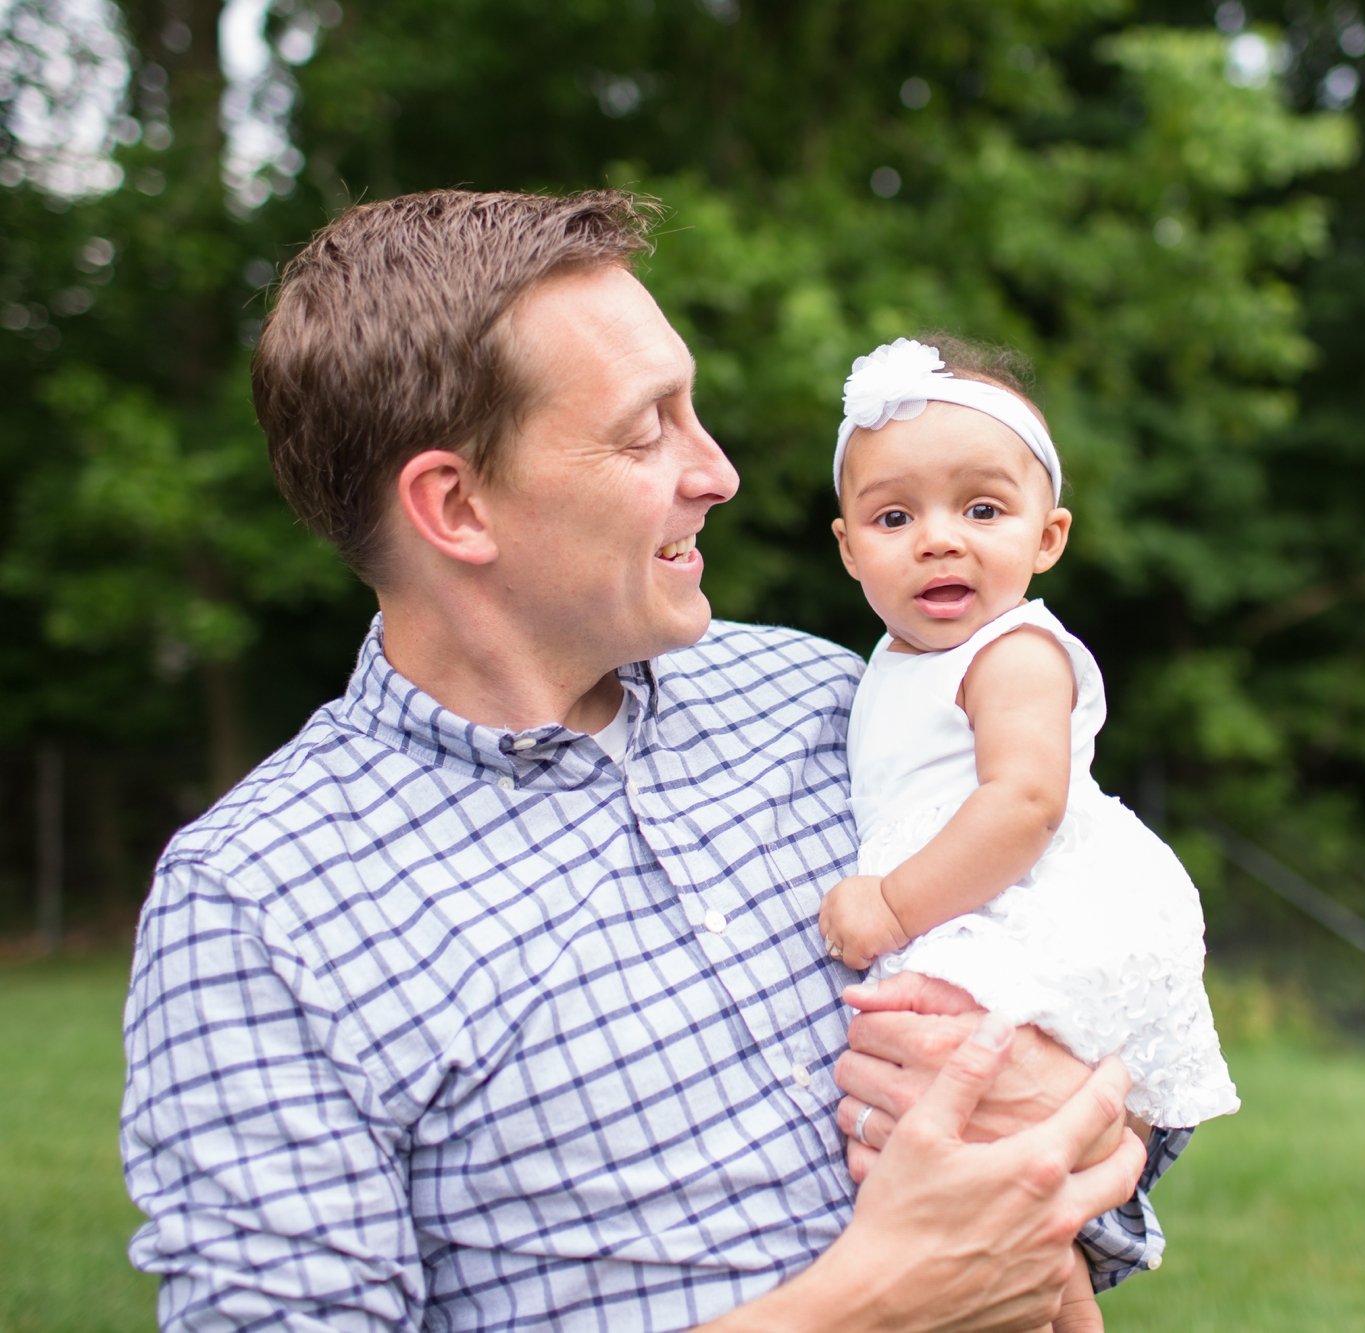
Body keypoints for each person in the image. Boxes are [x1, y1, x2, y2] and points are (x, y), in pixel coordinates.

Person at [119, 189, 1188, 1332]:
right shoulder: (258, 907)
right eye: (647, 429)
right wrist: (867, 1305)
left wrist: (1087, 1121)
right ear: (455, 505)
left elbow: (1090, 970)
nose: (718, 472)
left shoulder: (824, 700)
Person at [817, 338, 1240, 1331]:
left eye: (981, 509)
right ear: (846, 546)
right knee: (936, 1150)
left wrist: (889, 902)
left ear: (1045, 537)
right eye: (893, 515)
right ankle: (1038, 1297)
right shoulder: (890, 659)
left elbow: (1021, 805)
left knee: (953, 1138)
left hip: (1016, 914)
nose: (938, 539)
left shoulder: (1013, 654)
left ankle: (1045, 1301)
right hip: (966, 908)